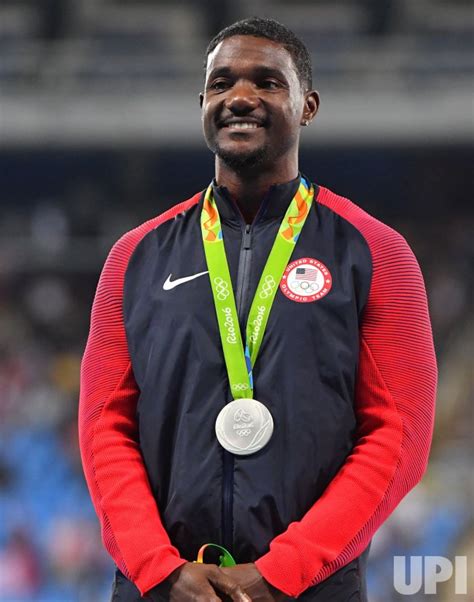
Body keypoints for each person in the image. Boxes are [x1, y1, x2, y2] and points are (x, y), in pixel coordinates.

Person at [78, 17, 437, 602]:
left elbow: (400, 436)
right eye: (221, 84)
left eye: (267, 81)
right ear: (202, 103)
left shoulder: (377, 252)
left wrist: (282, 573)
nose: (240, 97)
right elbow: (104, 427)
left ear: (308, 105)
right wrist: (162, 569)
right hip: (165, 587)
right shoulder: (134, 256)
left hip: (311, 588)